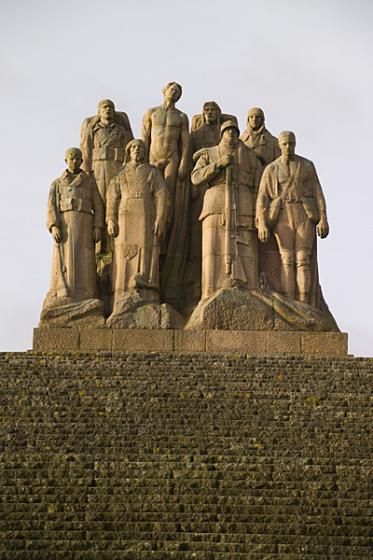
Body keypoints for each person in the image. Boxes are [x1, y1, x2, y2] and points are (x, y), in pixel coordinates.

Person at [256, 131, 329, 305]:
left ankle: (304, 304)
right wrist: (262, 224)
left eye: (291, 143)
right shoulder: (271, 169)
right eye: (285, 144)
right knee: (287, 260)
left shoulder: (307, 166)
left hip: (304, 213)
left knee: (303, 260)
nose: (288, 147)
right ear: (279, 145)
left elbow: (318, 194)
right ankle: (290, 302)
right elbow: (262, 198)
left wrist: (323, 218)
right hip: (282, 215)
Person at [191, 120, 260, 299]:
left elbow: (260, 184)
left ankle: (250, 293)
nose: (231, 134)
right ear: (221, 133)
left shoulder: (251, 156)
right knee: (213, 249)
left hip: (244, 204)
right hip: (216, 203)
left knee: (246, 250)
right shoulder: (209, 153)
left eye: (234, 130)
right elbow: (196, 177)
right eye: (227, 130)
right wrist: (218, 164)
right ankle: (210, 294)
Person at [80, 99, 133, 313]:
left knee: (116, 207)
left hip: (117, 169)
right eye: (104, 107)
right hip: (98, 169)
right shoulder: (93, 129)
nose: (107, 110)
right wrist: (86, 172)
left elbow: (130, 148)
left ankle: (112, 246)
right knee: (100, 207)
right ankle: (100, 248)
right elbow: (86, 150)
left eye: (110, 107)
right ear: (99, 111)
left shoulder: (121, 130)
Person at [106, 139, 169, 317]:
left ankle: (146, 294)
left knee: (146, 251)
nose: (137, 151)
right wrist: (110, 219)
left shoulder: (152, 172)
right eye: (133, 148)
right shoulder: (120, 174)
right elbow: (112, 198)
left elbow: (161, 195)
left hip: (146, 215)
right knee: (124, 254)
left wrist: (160, 218)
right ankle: (123, 295)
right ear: (128, 151)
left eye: (140, 148)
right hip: (125, 216)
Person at [141, 82, 190, 308]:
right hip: (152, 159)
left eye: (178, 92)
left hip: (172, 159)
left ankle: (165, 241)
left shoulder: (181, 117)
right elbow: (144, 139)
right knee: (150, 205)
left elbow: (186, 143)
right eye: (172, 90)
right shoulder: (151, 113)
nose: (175, 93)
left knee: (166, 204)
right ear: (164, 91)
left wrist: (183, 164)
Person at [42, 147, 104, 313]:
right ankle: (63, 293)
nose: (75, 161)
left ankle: (85, 295)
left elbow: (98, 206)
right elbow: (51, 207)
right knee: (65, 260)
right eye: (71, 158)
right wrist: (54, 225)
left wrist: (98, 226)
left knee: (84, 259)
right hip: (65, 225)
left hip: (84, 223)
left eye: (77, 158)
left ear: (82, 161)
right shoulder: (57, 183)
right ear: (66, 160)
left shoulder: (89, 182)